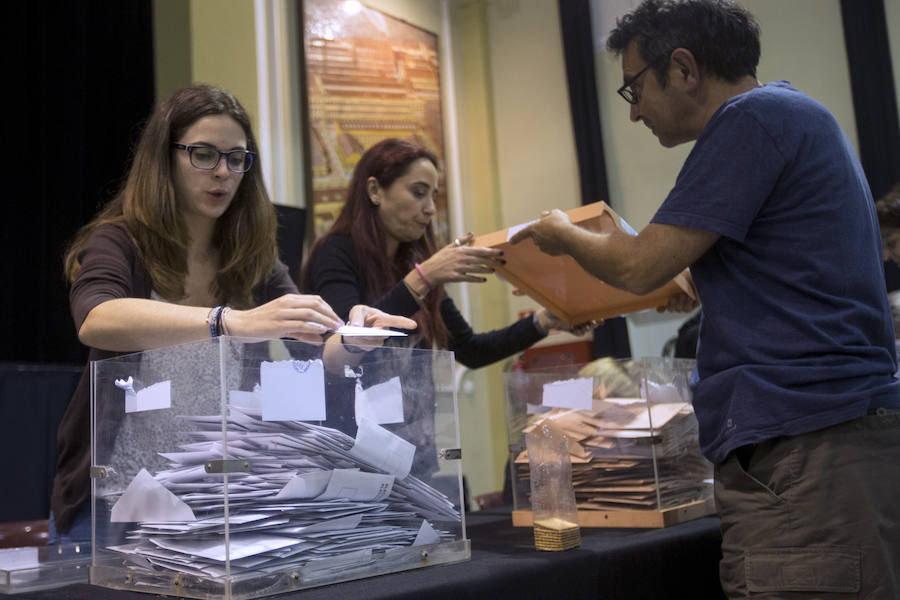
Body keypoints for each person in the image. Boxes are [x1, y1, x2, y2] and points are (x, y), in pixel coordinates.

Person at [510, 1, 900, 597]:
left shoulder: (750, 121)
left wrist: (562, 235)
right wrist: (686, 283)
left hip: (805, 453)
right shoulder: (795, 118)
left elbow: (640, 266)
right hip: (826, 444)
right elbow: (761, 272)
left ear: (685, 68)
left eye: (634, 88)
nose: (635, 111)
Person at [51, 85, 415, 544]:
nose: (222, 173)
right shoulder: (121, 241)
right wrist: (227, 320)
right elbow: (96, 318)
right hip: (114, 503)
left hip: (217, 497)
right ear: (164, 158)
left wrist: (353, 337)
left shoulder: (253, 257)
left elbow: (319, 351)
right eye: (202, 154)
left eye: (236, 158)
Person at [301, 138, 586, 475]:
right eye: (418, 193)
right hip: (348, 460)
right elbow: (349, 344)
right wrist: (424, 277)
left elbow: (471, 350)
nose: (430, 209)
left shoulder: (413, 262)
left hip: (415, 459)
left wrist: (543, 321)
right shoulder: (335, 253)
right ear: (375, 191)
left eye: (433, 196)